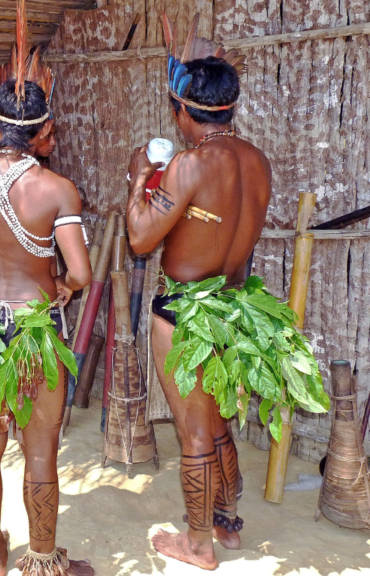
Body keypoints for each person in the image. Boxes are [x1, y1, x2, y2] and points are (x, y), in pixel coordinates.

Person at [0, 37, 94, 575]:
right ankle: (45, 561)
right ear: (43, 129)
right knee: (40, 450)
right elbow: (80, 272)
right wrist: (61, 288)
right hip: (35, 329)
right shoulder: (57, 190)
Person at [126, 18, 267, 570]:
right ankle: (229, 523)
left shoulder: (188, 164)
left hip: (184, 311)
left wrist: (140, 179)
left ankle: (199, 543)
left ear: (185, 112)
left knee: (193, 433)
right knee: (218, 422)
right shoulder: (257, 161)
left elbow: (140, 238)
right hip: (233, 307)